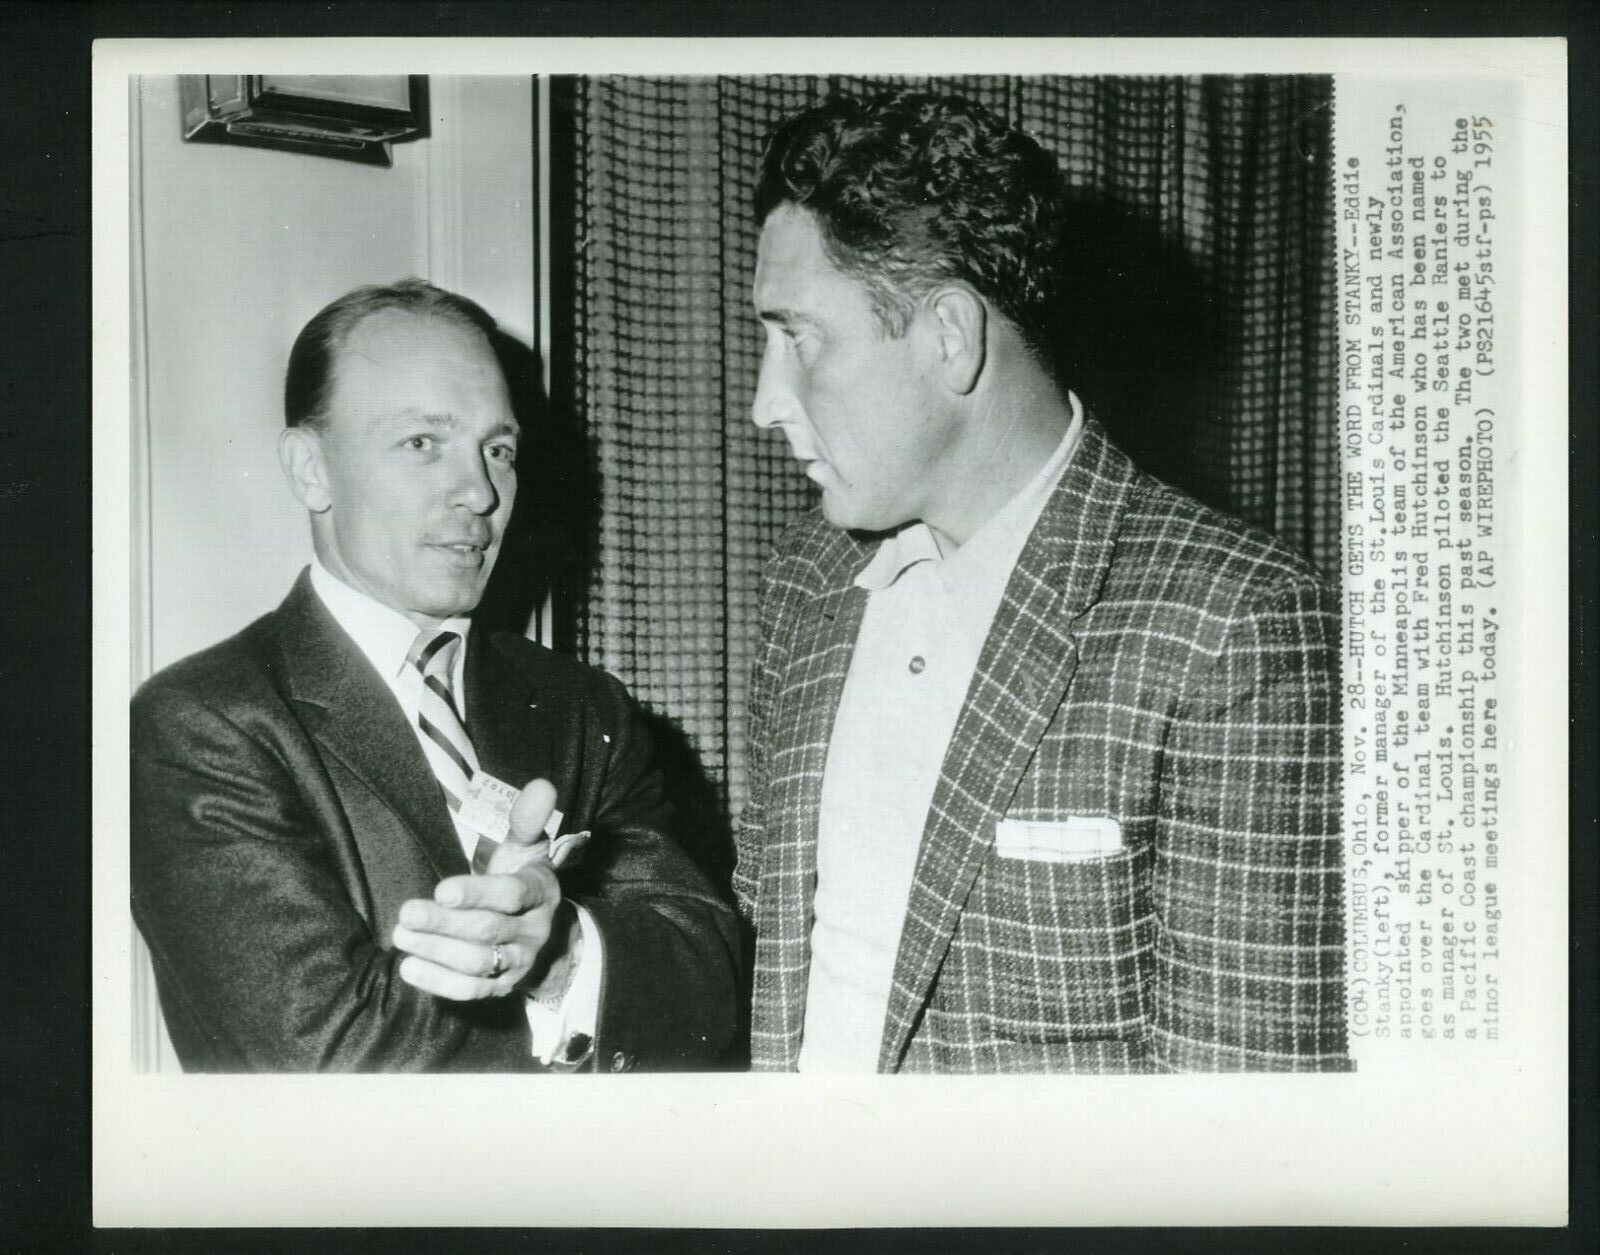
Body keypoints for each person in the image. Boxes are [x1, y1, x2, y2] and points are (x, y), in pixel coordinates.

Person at [736, 92, 1349, 1073]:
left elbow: (1244, 1136)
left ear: (949, 336)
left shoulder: (1238, 623)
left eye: (798, 337)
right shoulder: (804, 584)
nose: (768, 401)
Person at [131, 279, 739, 1072]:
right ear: (311, 469)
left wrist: (553, 956)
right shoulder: (202, 724)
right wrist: (533, 963)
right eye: (423, 442)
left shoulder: (583, 706)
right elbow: (327, 1059)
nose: (481, 492)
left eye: (499, 449)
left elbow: (715, 982)